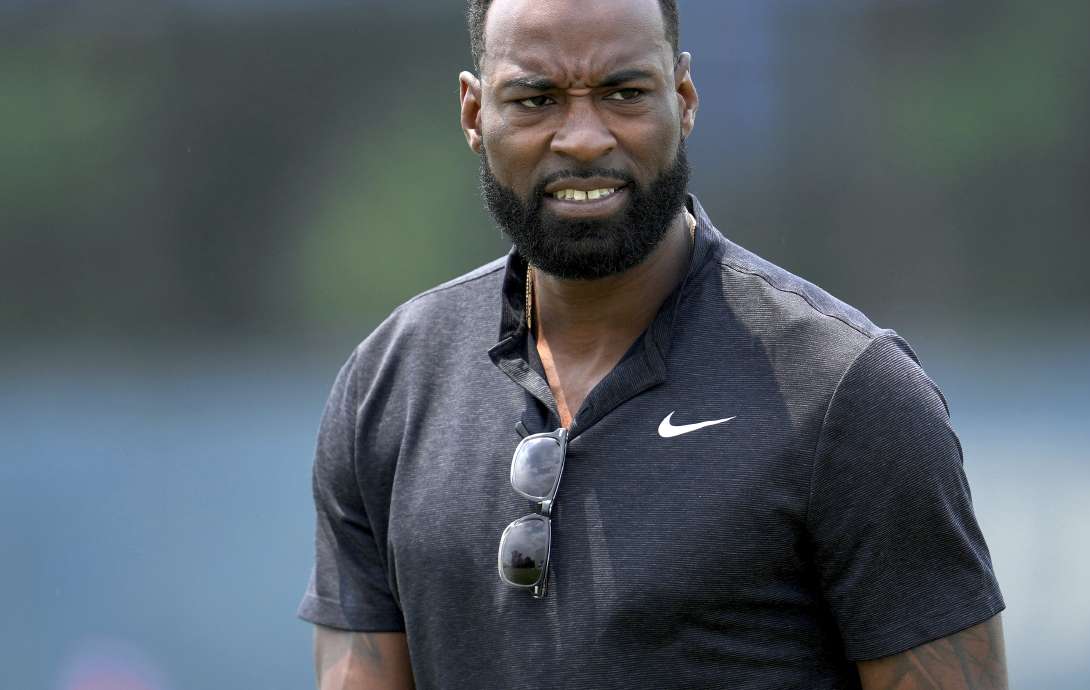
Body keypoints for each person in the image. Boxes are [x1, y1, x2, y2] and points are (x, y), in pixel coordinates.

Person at [298, 0, 1009, 687]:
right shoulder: (388, 385)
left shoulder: (847, 392)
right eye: (536, 99)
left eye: (624, 92)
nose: (583, 137)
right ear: (474, 114)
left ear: (685, 98)